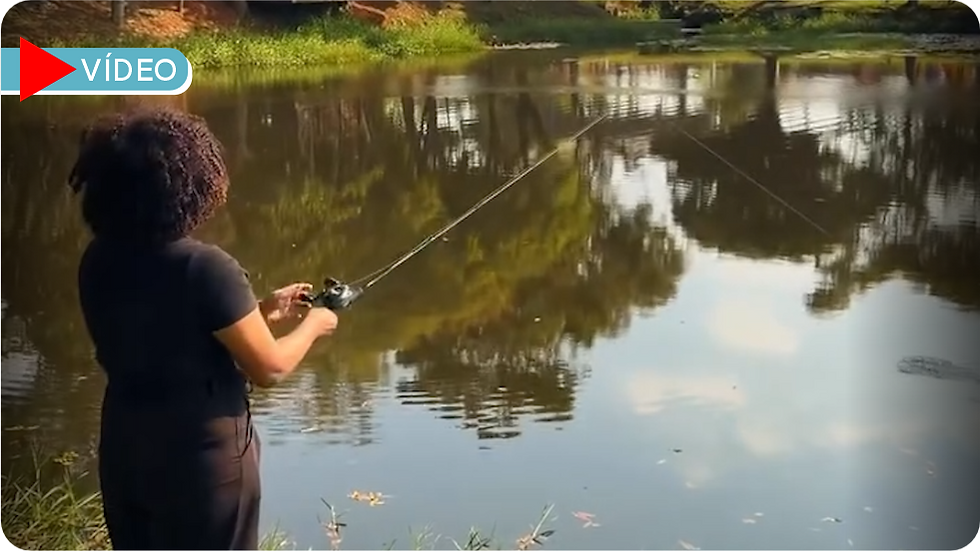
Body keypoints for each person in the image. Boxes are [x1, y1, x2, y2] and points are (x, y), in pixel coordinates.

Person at [70, 107, 339, 550]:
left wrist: (259, 311)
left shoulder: (98, 258)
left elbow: (166, 334)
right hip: (200, 462)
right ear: (189, 186)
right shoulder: (206, 267)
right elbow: (268, 369)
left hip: (125, 447)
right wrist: (316, 323)